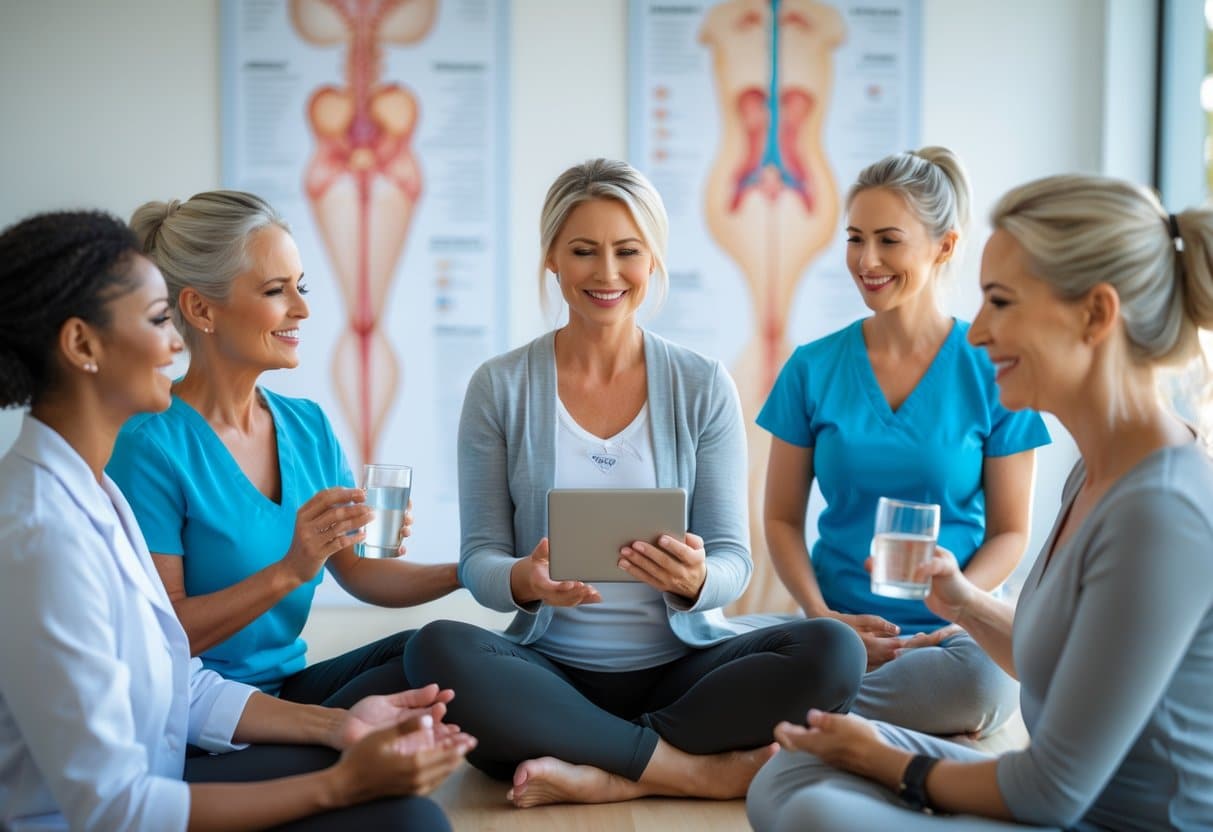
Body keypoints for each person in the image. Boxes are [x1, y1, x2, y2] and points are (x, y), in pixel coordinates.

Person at [746, 174, 1213, 830]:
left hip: (1092, 817)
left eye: (1000, 301)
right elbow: (1057, 656)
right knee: (789, 774)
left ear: (1095, 314)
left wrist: (883, 762)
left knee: (816, 810)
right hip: (1046, 792)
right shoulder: (1095, 472)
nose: (976, 332)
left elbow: (1049, 791)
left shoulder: (1161, 511)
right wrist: (963, 602)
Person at [403, 158, 867, 809]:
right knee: (436, 650)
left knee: (832, 650)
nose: (606, 273)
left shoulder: (701, 384)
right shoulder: (499, 387)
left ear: (652, 261)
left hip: (683, 675)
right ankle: (689, 772)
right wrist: (522, 582)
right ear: (552, 260)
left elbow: (734, 557)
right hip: (550, 674)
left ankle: (601, 768)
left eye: (627, 251)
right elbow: (479, 557)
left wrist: (696, 581)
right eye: (583, 251)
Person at [0, 210, 475, 831]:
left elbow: (182, 679)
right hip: (124, 803)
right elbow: (116, 807)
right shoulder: (44, 535)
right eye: (156, 321)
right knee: (409, 820)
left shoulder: (90, 496)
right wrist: (338, 785)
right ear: (82, 346)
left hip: (186, 747)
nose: (174, 346)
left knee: (432, 680)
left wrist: (345, 725)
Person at [106, 191, 459, 707]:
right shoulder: (148, 446)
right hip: (200, 711)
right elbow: (163, 634)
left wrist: (472, 574)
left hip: (289, 690)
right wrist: (291, 569)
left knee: (436, 649)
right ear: (201, 308)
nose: (303, 309)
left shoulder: (308, 426)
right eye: (277, 290)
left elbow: (360, 569)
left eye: (302, 286)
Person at [757, 147, 1050, 737]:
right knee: (725, 644)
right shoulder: (812, 368)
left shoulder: (993, 368)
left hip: (954, 633)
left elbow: (1012, 531)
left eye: (889, 240)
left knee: (983, 685)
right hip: (837, 631)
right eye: (855, 238)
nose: (867, 260)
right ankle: (843, 730)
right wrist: (823, 617)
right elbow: (783, 519)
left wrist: (964, 601)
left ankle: (795, 728)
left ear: (944, 246)